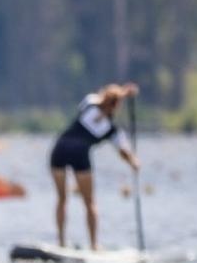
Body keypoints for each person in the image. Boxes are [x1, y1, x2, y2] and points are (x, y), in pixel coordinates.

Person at [48, 83, 140, 250]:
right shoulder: (112, 130)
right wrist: (134, 162)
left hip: (60, 148)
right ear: (117, 106)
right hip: (80, 155)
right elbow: (124, 152)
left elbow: (104, 99)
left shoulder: (89, 103)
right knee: (89, 202)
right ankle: (94, 245)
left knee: (62, 199)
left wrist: (124, 92)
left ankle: (61, 242)